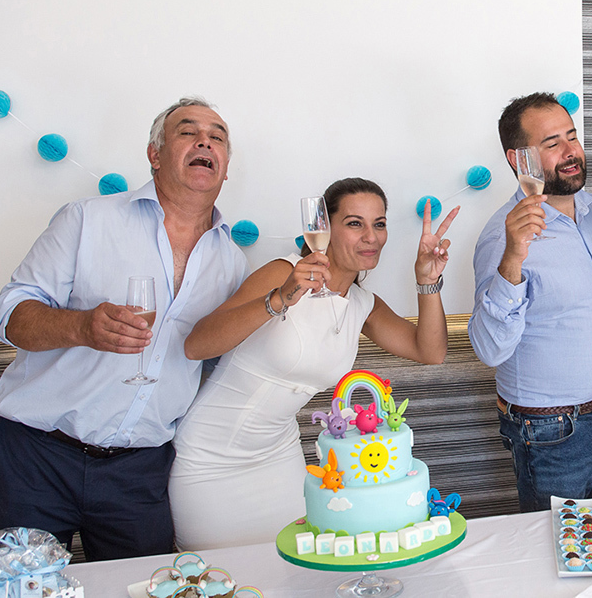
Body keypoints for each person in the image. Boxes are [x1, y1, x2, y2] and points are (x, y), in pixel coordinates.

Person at [0, 97, 249, 560]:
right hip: (35, 457)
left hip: (139, 472)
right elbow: (11, 315)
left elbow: (213, 362)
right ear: (154, 155)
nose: (204, 142)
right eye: (187, 132)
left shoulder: (232, 262)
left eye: (217, 137)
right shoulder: (87, 219)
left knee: (142, 589)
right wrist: (81, 328)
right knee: (16, 589)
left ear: (226, 166)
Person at [168, 178, 458, 550]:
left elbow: (430, 351)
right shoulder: (281, 272)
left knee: (294, 570)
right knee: (221, 579)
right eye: (355, 223)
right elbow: (196, 344)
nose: (371, 236)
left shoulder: (361, 304)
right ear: (323, 228)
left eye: (379, 224)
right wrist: (280, 298)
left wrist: (427, 281)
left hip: (278, 457)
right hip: (208, 459)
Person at [468, 92, 592, 512]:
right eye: (552, 144)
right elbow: (490, 349)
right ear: (520, 161)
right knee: (563, 562)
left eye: (572, 136)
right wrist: (513, 257)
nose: (571, 152)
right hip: (548, 434)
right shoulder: (502, 237)